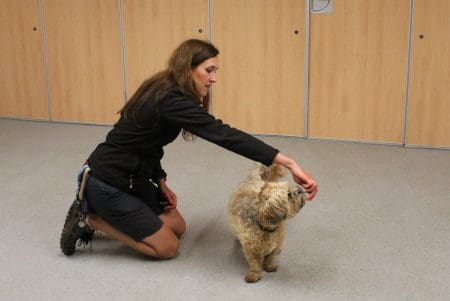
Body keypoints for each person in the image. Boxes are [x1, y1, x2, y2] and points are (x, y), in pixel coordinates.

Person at [59, 39, 318, 259]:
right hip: (107, 179)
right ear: (189, 69)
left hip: (131, 174)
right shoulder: (169, 98)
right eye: (209, 70)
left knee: (177, 226)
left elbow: (147, 142)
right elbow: (224, 134)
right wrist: (288, 162)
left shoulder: (167, 87)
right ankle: (91, 217)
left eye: (216, 70)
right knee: (167, 247)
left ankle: (108, 210)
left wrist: (160, 181)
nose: (214, 78)